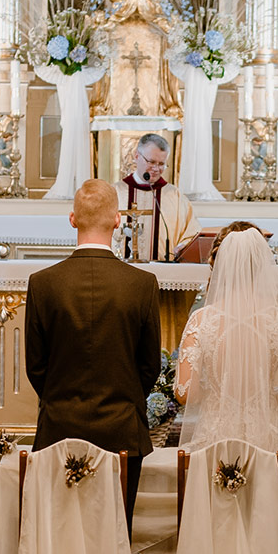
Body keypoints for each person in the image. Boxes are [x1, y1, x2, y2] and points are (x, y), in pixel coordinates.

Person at [26, 178, 162, 490]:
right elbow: (149, 365)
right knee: (119, 520)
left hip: (58, 427)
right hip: (123, 428)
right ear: (117, 220)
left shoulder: (43, 283)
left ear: (72, 219)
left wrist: (60, 400)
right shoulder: (142, 284)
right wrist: (125, 400)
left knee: (59, 518)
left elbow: (36, 365)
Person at [174, 225, 278, 452]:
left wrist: (216, 393)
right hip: (265, 438)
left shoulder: (201, 321)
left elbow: (185, 393)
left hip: (214, 438)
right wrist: (268, 396)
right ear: (262, 266)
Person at [120, 133, 172, 263]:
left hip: (161, 272)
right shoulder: (115, 192)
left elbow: (190, 235)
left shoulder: (174, 196)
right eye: (151, 162)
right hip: (120, 268)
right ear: (137, 156)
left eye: (161, 164)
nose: (156, 169)